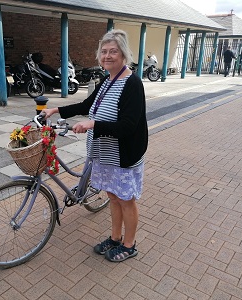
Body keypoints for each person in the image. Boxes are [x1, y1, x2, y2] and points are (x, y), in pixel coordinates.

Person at [41, 29, 148, 262]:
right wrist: (56, 109)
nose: (107, 56)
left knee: (125, 199)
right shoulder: (107, 80)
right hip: (104, 153)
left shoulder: (132, 83)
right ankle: (115, 238)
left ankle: (129, 245)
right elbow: (86, 104)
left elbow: (128, 126)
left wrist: (93, 125)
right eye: (104, 51)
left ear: (123, 54)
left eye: (113, 51)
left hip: (124, 154)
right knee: (112, 196)